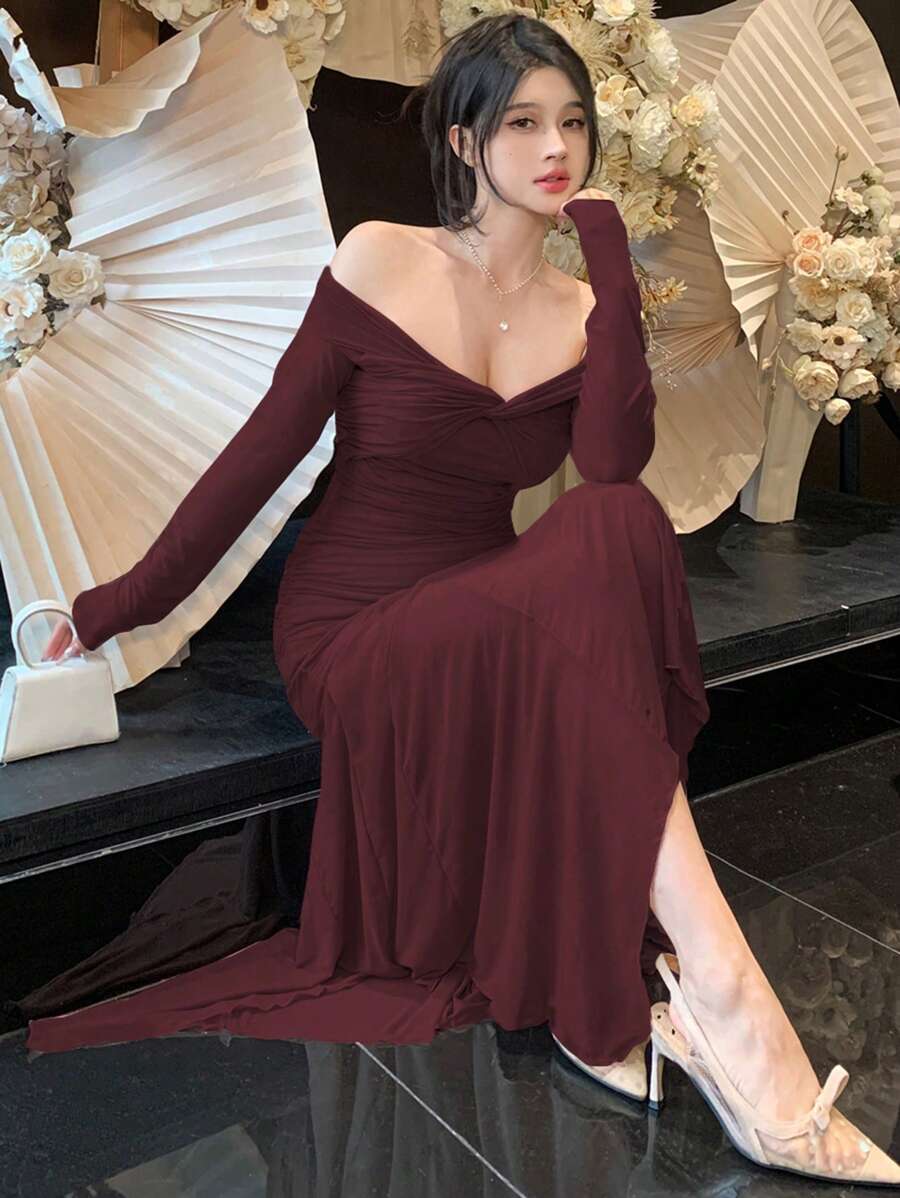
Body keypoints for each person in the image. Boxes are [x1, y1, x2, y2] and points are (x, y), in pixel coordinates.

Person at [36, 13, 898, 1187]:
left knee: (614, 520)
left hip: (493, 611)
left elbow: (613, 461)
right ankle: (729, 999)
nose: (557, 148)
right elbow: (255, 461)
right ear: (463, 140)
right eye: (524, 123)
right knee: (601, 542)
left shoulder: (583, 307)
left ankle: (698, 993)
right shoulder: (381, 259)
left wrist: (611, 275)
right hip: (355, 634)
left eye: (574, 123)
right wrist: (110, 607)